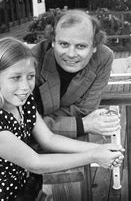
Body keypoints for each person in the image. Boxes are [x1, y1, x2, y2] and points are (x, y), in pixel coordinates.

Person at [0, 37, 124, 200]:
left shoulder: (22, 102)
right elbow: (36, 162)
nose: (25, 86)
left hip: (20, 189)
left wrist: (101, 148)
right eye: (16, 78)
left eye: (30, 77)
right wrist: (93, 156)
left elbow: (49, 139)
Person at [31, 9, 120, 138]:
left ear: (94, 46)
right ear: (53, 42)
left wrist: (44, 120)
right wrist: (83, 124)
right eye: (64, 44)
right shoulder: (33, 60)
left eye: (81, 46)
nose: (71, 54)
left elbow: (85, 110)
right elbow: (25, 121)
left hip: (74, 141)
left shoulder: (103, 57)